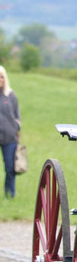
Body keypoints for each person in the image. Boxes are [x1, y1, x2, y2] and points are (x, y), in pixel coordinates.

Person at [0, 66, 21, 198]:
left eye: (2, 76)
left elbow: (17, 116)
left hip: (9, 138)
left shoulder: (11, 95)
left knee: (10, 168)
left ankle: (10, 195)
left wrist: (16, 127)